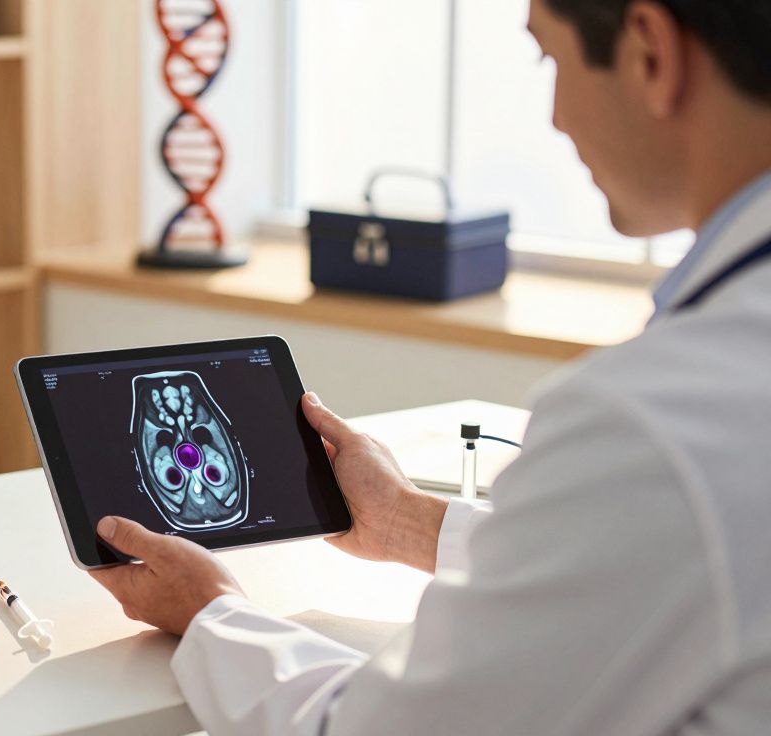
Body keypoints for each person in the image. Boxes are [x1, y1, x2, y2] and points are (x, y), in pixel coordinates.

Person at [91, 0, 771, 733]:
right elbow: (649, 560)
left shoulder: (650, 424)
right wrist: (409, 522)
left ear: (649, 55)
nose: (555, 118)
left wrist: (211, 614)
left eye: (551, 59)